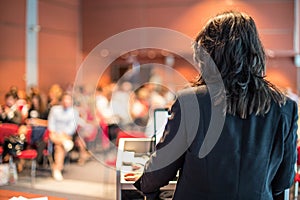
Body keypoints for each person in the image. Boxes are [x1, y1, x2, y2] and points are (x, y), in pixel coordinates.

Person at [134, 11, 298, 200]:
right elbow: (283, 180)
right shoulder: (285, 107)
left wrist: (146, 186)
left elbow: (160, 170)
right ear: (255, 51)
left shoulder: (191, 102)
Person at [48, 92, 79, 181]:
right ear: (61, 101)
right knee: (62, 144)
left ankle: (57, 168)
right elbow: (51, 123)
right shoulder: (54, 109)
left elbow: (72, 127)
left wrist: (63, 134)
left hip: (66, 135)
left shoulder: (74, 112)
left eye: (68, 99)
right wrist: (54, 133)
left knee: (59, 147)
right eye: (65, 99)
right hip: (54, 134)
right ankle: (57, 169)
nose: (66, 101)